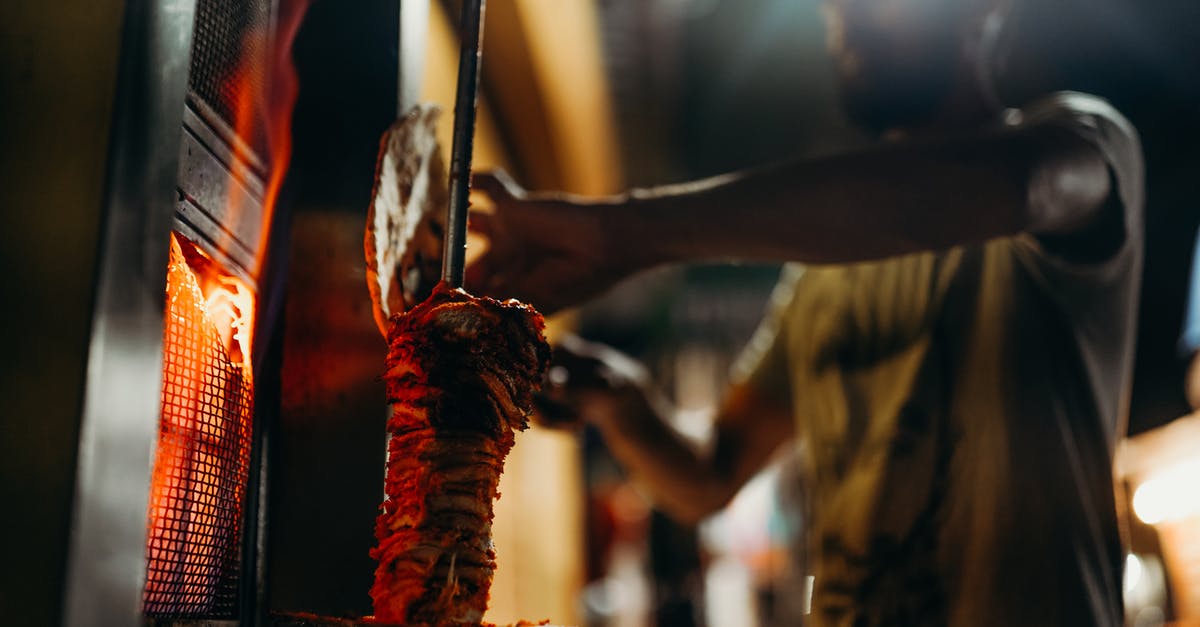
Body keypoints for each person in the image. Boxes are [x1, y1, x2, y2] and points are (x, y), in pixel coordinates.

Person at [466, 0, 1143, 624]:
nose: (843, 15)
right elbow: (710, 476)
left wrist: (619, 237)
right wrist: (619, 400)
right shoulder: (821, 277)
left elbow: (1009, 184)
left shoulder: (1085, 145)